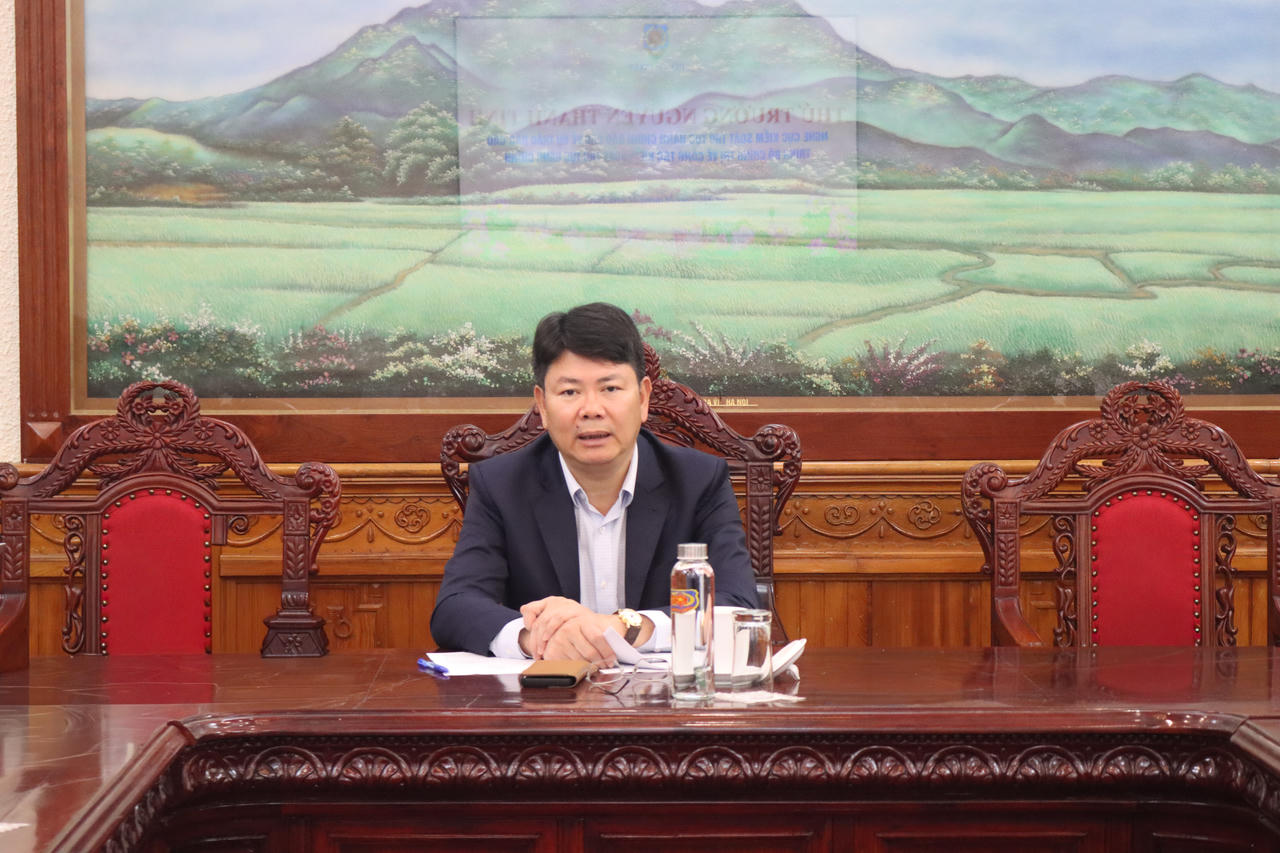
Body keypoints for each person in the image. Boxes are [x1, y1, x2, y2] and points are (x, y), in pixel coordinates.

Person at [430, 302, 758, 663]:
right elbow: (456, 607)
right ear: (542, 405)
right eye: (570, 392)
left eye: (610, 388)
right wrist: (534, 638)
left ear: (643, 398)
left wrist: (622, 627)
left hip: (663, 696)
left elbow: (737, 606)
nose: (591, 409)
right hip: (549, 695)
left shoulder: (698, 481)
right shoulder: (502, 485)